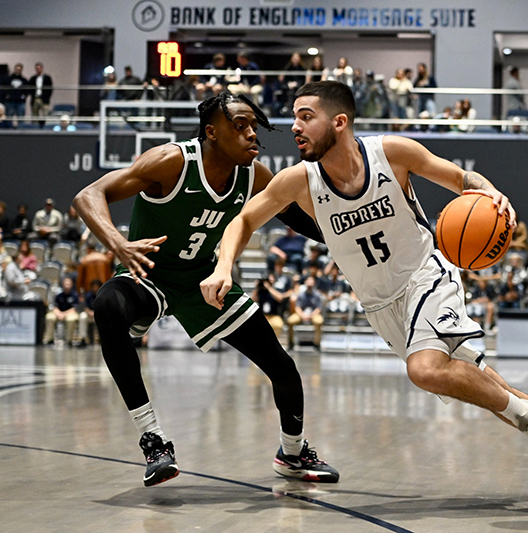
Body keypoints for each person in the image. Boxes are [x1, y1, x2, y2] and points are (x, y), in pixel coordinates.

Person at [202, 80, 528, 499]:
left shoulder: (392, 153)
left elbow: (460, 178)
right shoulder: (299, 181)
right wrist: (224, 267)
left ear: (340, 122)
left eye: (306, 116)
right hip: (380, 305)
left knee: (424, 370)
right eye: (295, 117)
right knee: (478, 381)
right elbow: (243, 220)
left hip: (426, 275)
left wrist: (490, 191)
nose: (295, 126)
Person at [73, 91, 338, 488]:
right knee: (108, 303)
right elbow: (87, 195)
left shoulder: (256, 176)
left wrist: (344, 238)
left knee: (282, 367)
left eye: (254, 125)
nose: (252, 134)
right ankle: (154, 441)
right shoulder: (171, 161)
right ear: (212, 132)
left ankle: (293, 453)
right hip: (151, 277)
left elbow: (296, 219)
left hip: (205, 281)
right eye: (240, 125)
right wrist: (119, 244)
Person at [286, 275, 324, 348]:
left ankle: (317, 343)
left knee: (319, 321)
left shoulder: (317, 295)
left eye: (311, 280)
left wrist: (311, 315)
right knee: (290, 321)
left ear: (314, 282)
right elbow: (297, 307)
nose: (310, 282)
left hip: (313, 314)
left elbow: (319, 308)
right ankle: (291, 342)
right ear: (305, 282)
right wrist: (302, 315)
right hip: (301, 314)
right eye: (308, 280)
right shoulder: (301, 295)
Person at [43, 276, 81, 345]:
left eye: (68, 284)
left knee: (71, 319)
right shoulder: (58, 295)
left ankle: (69, 340)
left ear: (72, 285)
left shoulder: (75, 295)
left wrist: (64, 314)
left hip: (70, 313)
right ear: (63, 285)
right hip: (59, 313)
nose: (67, 286)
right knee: (49, 317)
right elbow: (54, 306)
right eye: (65, 284)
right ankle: (49, 339)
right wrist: (59, 314)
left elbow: (75, 308)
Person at [28, 62, 53, 127]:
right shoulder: (33, 78)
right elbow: (30, 88)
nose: (38, 69)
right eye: (36, 68)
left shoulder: (47, 78)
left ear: (42, 68)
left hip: (44, 98)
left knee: (45, 114)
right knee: (35, 115)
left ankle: (45, 127)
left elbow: (50, 89)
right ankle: (35, 128)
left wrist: (47, 97)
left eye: (39, 68)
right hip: (35, 98)